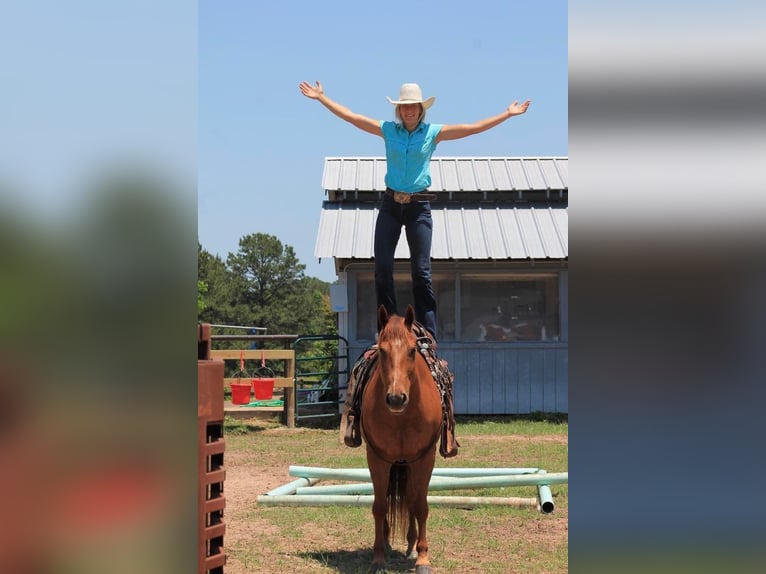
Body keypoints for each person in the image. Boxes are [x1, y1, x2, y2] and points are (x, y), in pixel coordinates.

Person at [300, 80, 530, 455]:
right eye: (404, 107)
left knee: (421, 270)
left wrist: (507, 114)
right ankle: (389, 326)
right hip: (391, 205)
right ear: (399, 110)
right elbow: (354, 118)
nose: (409, 112)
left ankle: (430, 333)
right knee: (382, 267)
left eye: (414, 107)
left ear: (422, 110)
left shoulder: (433, 133)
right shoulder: (388, 130)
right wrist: (323, 98)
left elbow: (471, 129)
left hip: (420, 206)